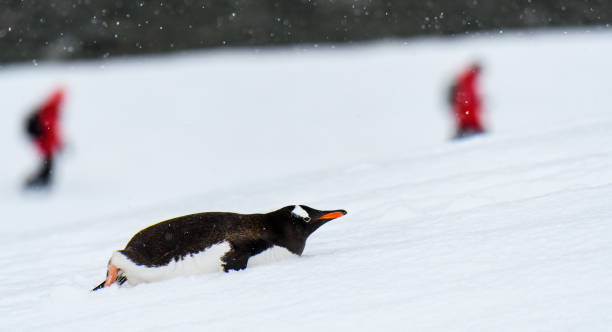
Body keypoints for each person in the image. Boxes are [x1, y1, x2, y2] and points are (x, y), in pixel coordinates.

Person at [24, 88, 65, 188]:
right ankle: (40, 182)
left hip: (44, 141)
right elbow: (50, 129)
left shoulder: (46, 108)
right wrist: (58, 143)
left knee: (46, 163)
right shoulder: (50, 110)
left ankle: (41, 181)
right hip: (46, 142)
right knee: (47, 164)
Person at [449, 63, 485, 139]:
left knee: (462, 130)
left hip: (465, 115)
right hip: (468, 115)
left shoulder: (465, 78)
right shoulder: (469, 79)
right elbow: (467, 99)